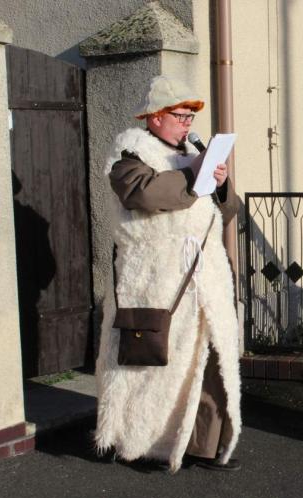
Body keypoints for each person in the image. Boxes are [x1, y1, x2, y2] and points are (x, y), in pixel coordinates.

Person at [94, 75, 242, 473]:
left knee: (207, 363)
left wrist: (221, 185)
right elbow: (144, 193)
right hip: (155, 283)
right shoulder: (129, 153)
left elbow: (226, 212)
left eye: (191, 116)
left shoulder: (193, 152)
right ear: (155, 116)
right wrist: (195, 175)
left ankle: (204, 446)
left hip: (203, 279)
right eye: (180, 115)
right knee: (150, 368)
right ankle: (142, 442)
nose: (188, 123)